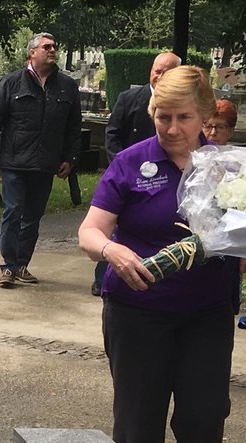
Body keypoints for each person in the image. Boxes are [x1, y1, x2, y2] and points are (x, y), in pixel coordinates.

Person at [78, 66, 233, 443]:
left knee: (204, 417)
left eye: (182, 117)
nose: (171, 128)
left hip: (208, 312)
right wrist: (112, 251)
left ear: (203, 116)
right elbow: (90, 231)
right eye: (162, 116)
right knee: (138, 420)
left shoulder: (227, 168)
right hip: (138, 312)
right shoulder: (132, 162)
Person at [0, 32, 81, 289]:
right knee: (13, 212)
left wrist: (71, 158)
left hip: (45, 164)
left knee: (32, 217)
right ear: (32, 53)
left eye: (54, 46)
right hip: (15, 162)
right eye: (46, 47)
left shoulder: (67, 86)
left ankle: (21, 264)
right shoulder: (12, 83)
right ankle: (8, 266)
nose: (52, 50)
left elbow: (73, 126)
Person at [92, 51, 180, 295]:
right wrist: (122, 168)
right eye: (156, 71)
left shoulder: (181, 108)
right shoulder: (129, 98)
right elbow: (113, 134)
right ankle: (103, 278)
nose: (159, 76)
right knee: (112, 228)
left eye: (166, 72)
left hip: (163, 179)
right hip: (128, 177)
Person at [203, 99, 246, 313]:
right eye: (208, 125)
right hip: (198, 238)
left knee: (224, 302)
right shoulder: (192, 158)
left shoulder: (239, 164)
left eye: (220, 127)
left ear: (230, 131)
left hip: (229, 241)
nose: (212, 132)